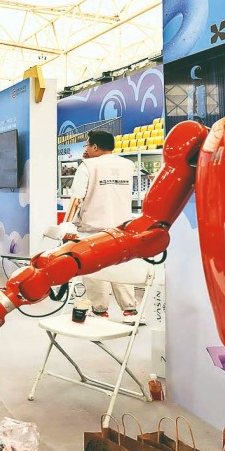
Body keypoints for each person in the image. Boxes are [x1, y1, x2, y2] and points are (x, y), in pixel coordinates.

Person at [68, 130, 138, 319]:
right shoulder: (128, 165)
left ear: (95, 147)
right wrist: (90, 158)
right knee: (121, 269)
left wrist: (66, 225)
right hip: (121, 229)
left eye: (87, 145)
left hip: (93, 230)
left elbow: (76, 198)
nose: (86, 148)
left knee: (94, 271)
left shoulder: (87, 166)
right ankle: (130, 311)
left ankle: (100, 311)